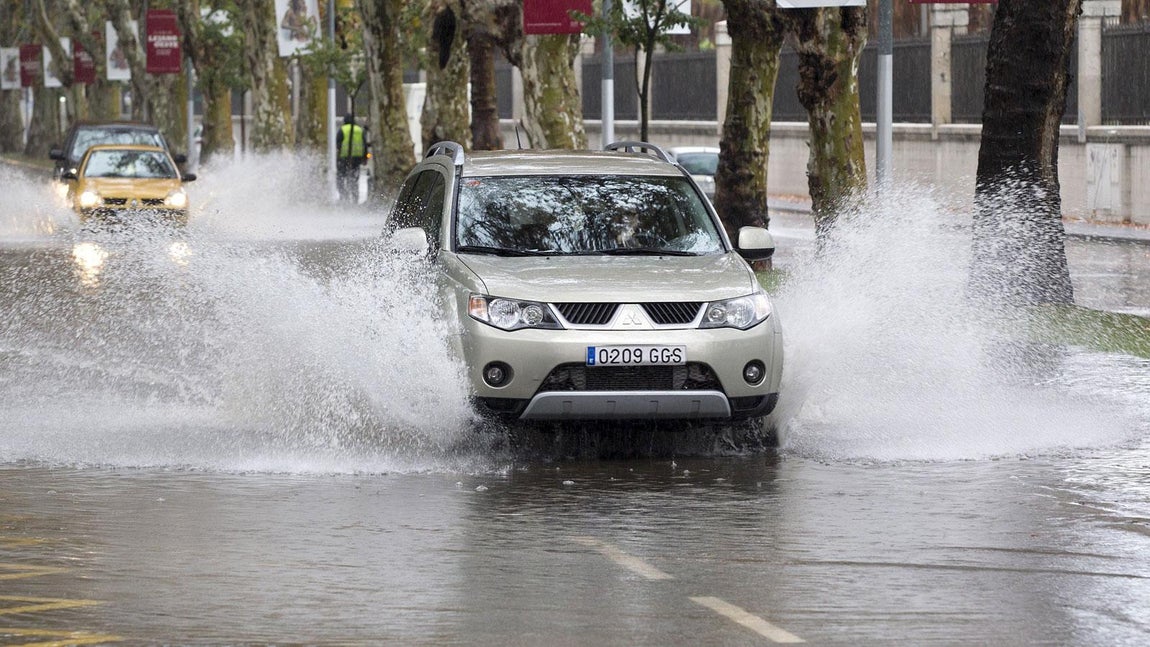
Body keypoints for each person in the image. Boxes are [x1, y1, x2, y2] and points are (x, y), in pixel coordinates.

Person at [336, 113, 368, 203]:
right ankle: (355, 197)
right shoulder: (359, 130)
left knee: (341, 177)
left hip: (344, 158)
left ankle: (344, 196)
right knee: (354, 178)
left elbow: (338, 144)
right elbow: (364, 145)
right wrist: (365, 157)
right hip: (357, 159)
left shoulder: (342, 129)